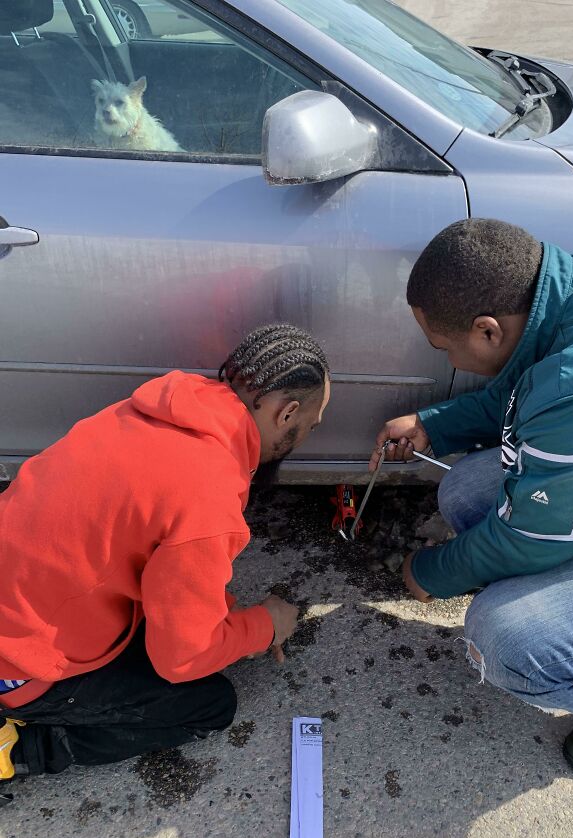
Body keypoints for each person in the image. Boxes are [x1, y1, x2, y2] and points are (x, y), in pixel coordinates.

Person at [372, 218, 573, 778]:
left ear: (488, 330)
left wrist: (427, 573)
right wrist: (434, 424)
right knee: (466, 492)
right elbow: (521, 392)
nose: (448, 361)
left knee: (504, 639)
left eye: (445, 347)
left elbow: (525, 540)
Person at [0, 324, 330, 780]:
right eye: (311, 426)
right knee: (209, 704)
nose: (308, 436)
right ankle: (23, 749)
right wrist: (263, 627)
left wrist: (229, 618)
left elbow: (172, 573)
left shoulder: (157, 408)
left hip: (22, 600)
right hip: (18, 665)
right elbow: (181, 659)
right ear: (288, 414)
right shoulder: (208, 494)